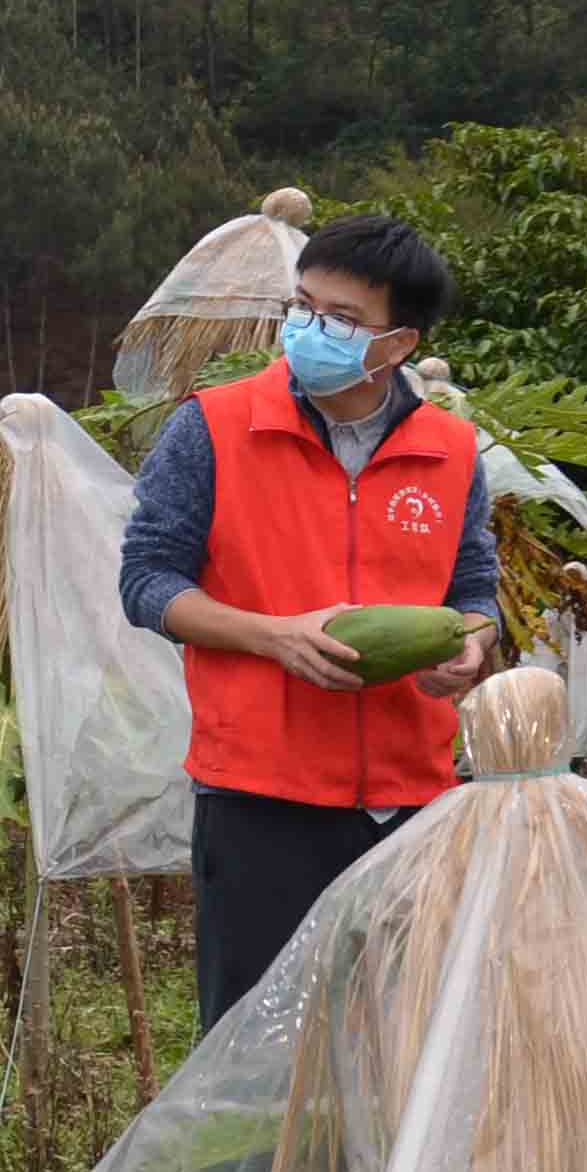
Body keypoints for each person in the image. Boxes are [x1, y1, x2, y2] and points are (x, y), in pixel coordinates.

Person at [117, 212, 502, 1037]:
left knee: (398, 1048)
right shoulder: (214, 426)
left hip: (411, 800)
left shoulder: (454, 449)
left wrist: (473, 642)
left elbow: (475, 584)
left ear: (398, 344)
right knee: (254, 1060)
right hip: (261, 798)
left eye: (341, 319)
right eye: (303, 305)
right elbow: (146, 581)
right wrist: (274, 635)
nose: (310, 329)